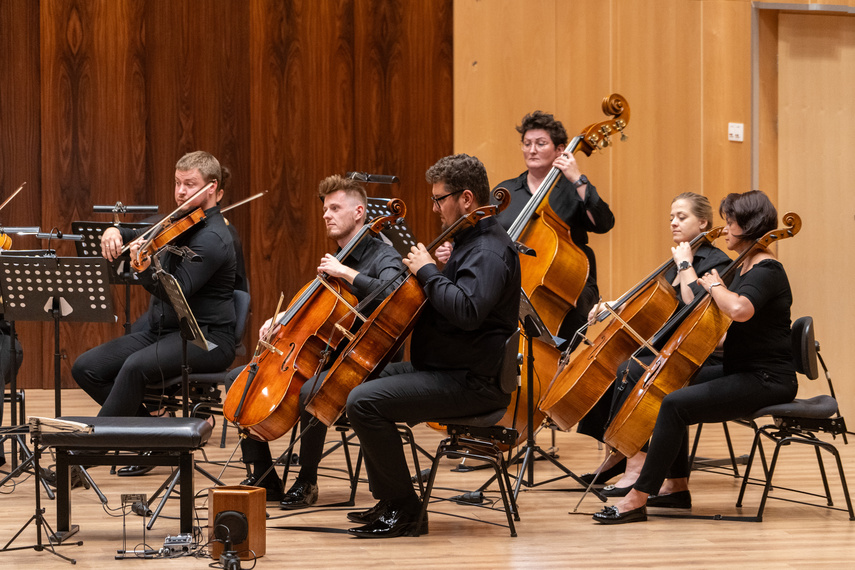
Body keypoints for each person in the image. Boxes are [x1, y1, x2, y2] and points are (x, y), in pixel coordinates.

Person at [593, 190, 798, 524]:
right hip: (742, 369)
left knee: (675, 404)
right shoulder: (744, 265)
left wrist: (715, 285)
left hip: (767, 379)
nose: (726, 228)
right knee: (670, 387)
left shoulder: (768, 268)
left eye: (730, 222)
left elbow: (739, 310)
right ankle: (675, 488)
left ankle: (637, 497)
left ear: (748, 226)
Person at [344, 153, 522, 539]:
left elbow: (469, 311)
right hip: (445, 369)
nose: (436, 208)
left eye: (440, 199)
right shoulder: (470, 242)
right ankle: (391, 499)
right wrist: (441, 270)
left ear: (467, 199)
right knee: (362, 380)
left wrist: (426, 271)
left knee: (365, 401)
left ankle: (406, 512)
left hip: (471, 382)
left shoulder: (489, 249)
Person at [224, 174, 404, 503]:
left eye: (335, 208)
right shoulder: (339, 257)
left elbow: (394, 292)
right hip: (320, 355)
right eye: (325, 209)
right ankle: (265, 477)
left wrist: (347, 274)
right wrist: (283, 319)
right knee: (239, 378)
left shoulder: (382, 256)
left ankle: (307, 481)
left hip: (356, 363)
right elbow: (316, 311)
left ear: (360, 212)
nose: (326, 214)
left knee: (310, 390)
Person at [72, 151, 237, 452]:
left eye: (190, 184)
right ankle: (153, 439)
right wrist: (115, 230)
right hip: (163, 331)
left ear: (212, 187)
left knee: (135, 367)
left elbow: (177, 291)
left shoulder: (213, 238)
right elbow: (138, 231)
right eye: (177, 183)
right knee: (86, 367)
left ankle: (85, 453)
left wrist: (145, 269)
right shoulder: (180, 221)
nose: (181, 192)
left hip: (205, 337)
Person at [576, 193, 731, 493]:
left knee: (633, 371)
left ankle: (635, 460)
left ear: (703, 222)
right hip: (672, 351)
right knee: (613, 371)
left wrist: (686, 265)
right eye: (671, 216)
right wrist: (615, 305)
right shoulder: (677, 260)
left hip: (703, 356)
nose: (673, 222)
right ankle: (619, 452)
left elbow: (696, 310)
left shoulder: (716, 261)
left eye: (681, 217)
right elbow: (652, 303)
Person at [494, 110, 615, 349]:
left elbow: (603, 223)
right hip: (518, 283)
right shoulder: (506, 192)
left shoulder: (573, 188)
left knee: (562, 333)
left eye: (541, 144)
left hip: (569, 287)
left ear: (560, 150)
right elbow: (487, 236)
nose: (532, 150)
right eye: (527, 144)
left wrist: (578, 178)